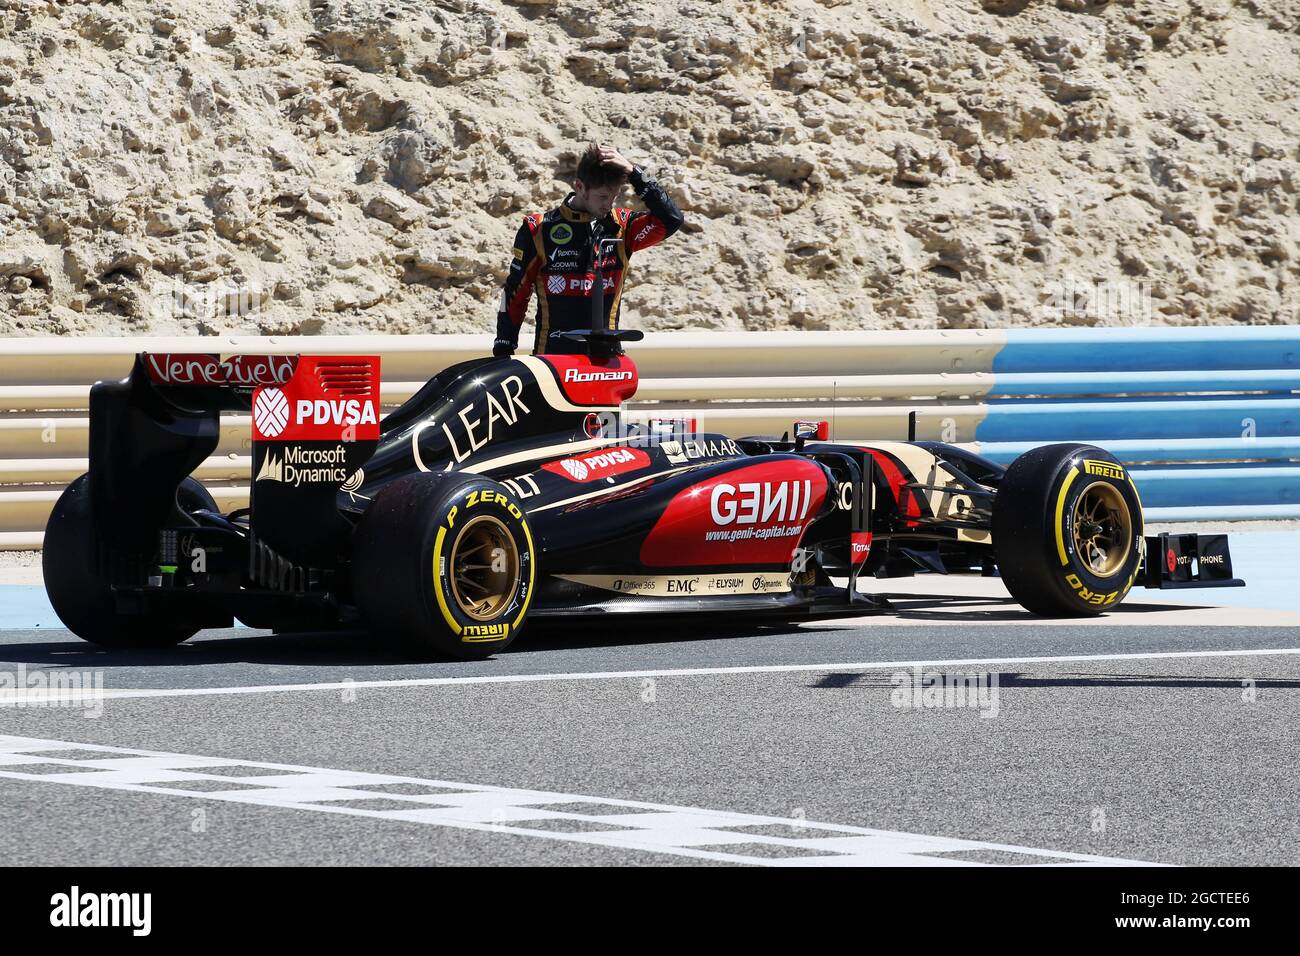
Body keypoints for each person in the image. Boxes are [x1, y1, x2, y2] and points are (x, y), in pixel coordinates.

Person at [493, 143, 684, 357]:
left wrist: (635, 174)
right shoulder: (538, 228)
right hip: (553, 360)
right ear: (580, 187)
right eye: (603, 197)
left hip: (606, 363)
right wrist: (504, 348)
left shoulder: (623, 226)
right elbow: (515, 293)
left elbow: (672, 219)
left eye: (614, 196)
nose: (609, 204)